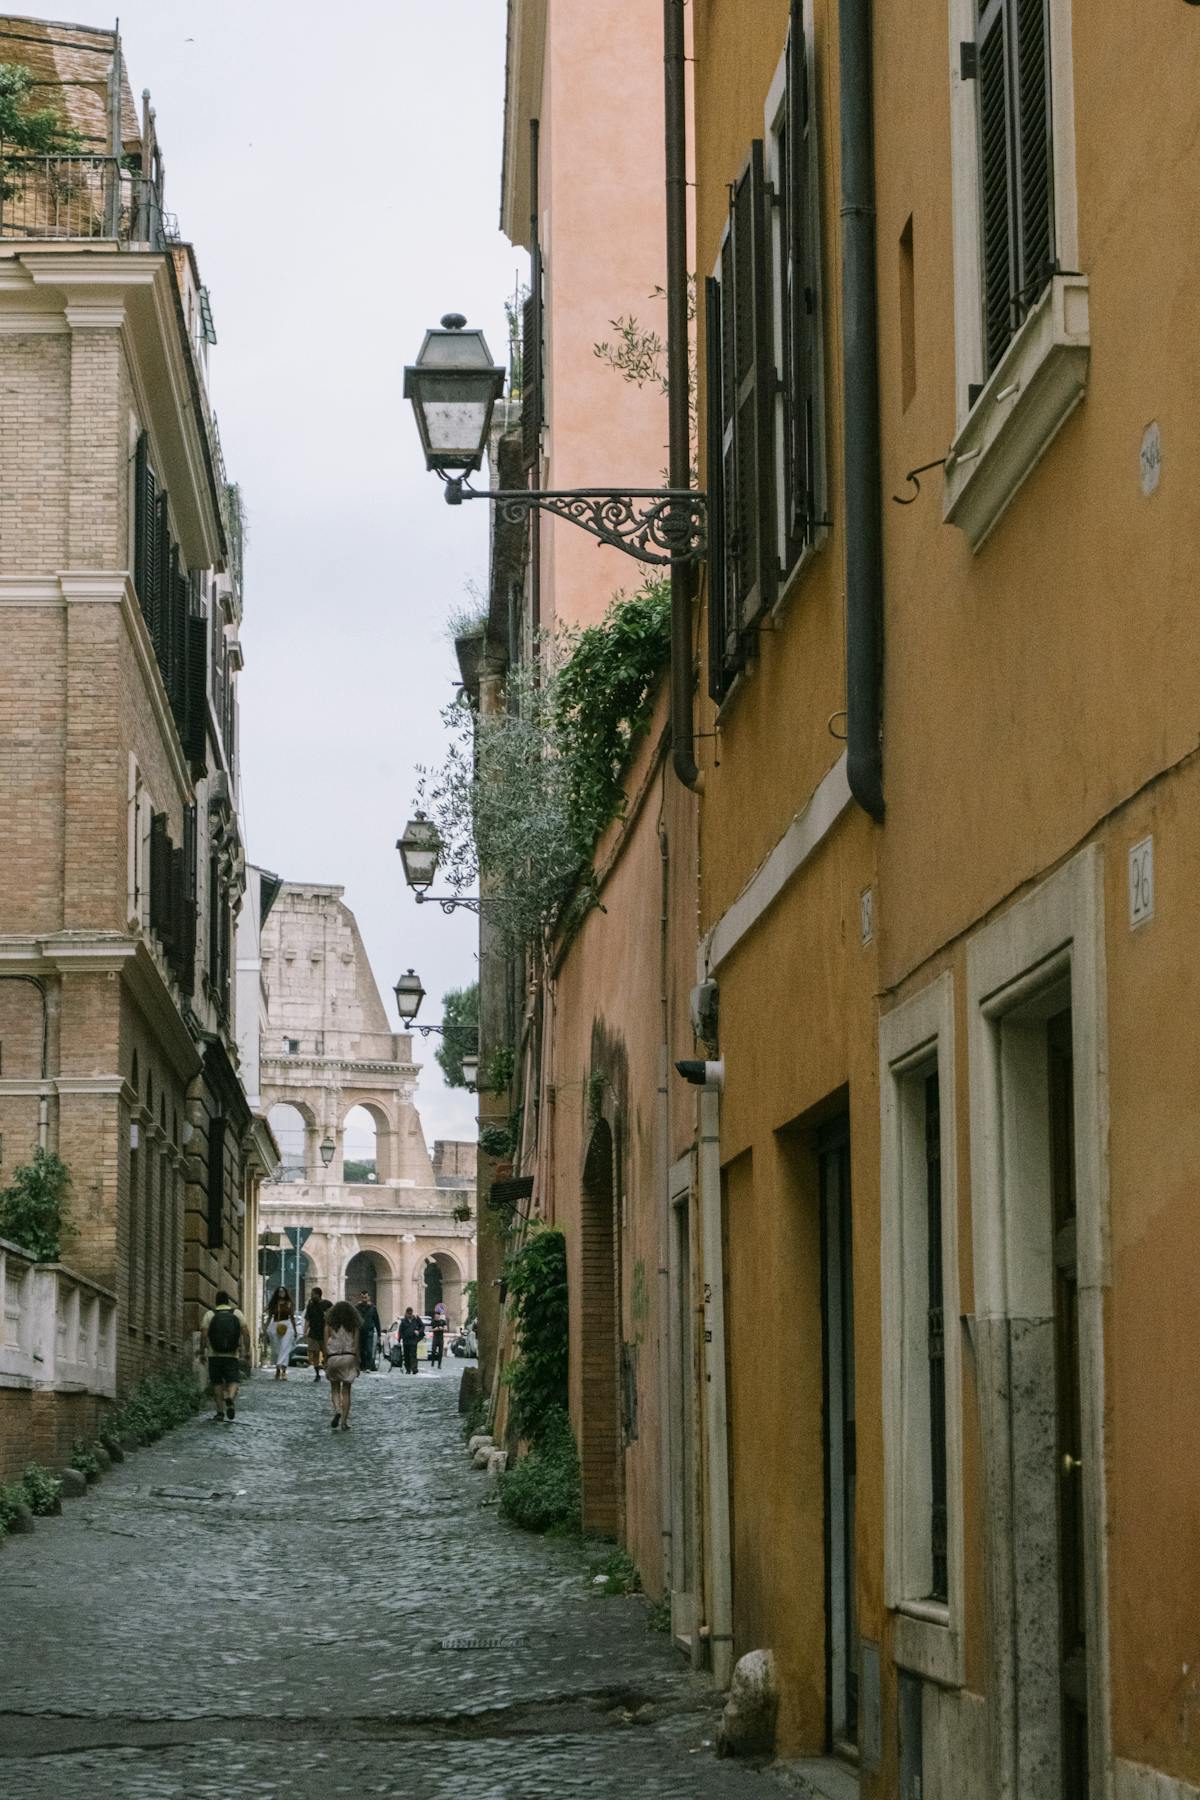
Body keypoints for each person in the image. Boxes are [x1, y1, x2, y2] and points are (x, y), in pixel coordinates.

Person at [202, 1290, 249, 1422]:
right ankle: (230, 1396)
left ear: (216, 1301)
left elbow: (204, 1335)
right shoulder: (237, 1313)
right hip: (232, 1355)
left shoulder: (209, 1314)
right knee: (233, 1381)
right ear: (228, 1301)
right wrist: (247, 1351)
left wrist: (201, 1351)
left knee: (217, 1383)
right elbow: (246, 1333)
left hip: (214, 1355)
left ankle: (220, 1413)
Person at [324, 1299, 361, 1431]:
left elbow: (325, 1342)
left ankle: (338, 1410)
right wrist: (357, 1362)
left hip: (333, 1358)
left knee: (334, 1388)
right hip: (348, 1357)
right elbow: (356, 1346)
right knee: (346, 1391)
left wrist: (325, 1360)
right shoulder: (354, 1325)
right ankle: (344, 1422)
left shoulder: (329, 1324)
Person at [264, 1285, 299, 1379]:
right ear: (277, 1293)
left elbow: (292, 1317)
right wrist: (264, 1329)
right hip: (275, 1325)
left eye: (283, 1291)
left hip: (287, 1325)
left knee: (285, 1347)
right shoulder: (273, 1304)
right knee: (277, 1349)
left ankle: (283, 1371)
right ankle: (277, 1370)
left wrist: (295, 1331)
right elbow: (269, 1317)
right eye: (279, 1291)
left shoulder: (289, 1303)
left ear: (285, 1293)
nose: (281, 1293)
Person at [304, 1286, 332, 1381]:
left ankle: (327, 1368)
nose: (311, 1296)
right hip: (313, 1333)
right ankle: (317, 1374)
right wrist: (305, 1331)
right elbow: (307, 1319)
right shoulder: (310, 1306)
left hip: (325, 1333)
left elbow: (333, 1316)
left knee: (326, 1353)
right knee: (315, 1353)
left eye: (312, 1294)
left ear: (318, 1295)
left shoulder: (327, 1304)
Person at [356, 1290, 382, 1373]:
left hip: (369, 1331)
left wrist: (379, 1334)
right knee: (361, 1349)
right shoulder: (357, 1307)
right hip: (360, 1331)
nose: (364, 1299)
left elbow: (377, 1321)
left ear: (368, 1298)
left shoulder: (373, 1308)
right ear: (360, 1298)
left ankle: (368, 1367)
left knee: (369, 1349)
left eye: (365, 1297)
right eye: (363, 1297)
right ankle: (362, 1366)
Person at [398, 1305, 425, 1375]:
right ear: (406, 1313)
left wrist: (419, 1331)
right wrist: (399, 1339)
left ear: (412, 1313)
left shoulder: (416, 1319)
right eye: (408, 1313)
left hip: (413, 1340)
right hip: (406, 1341)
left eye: (411, 1313)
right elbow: (400, 1331)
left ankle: (414, 1369)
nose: (409, 1315)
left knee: (413, 1355)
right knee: (406, 1356)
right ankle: (408, 1369)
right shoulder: (403, 1321)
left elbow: (422, 1326)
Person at [429, 1304, 449, 1370]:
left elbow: (446, 1329)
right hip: (435, 1338)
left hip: (440, 1338)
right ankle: (432, 1362)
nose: (437, 1317)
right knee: (433, 1351)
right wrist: (436, 1329)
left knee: (440, 1352)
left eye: (438, 1316)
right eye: (436, 1316)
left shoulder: (442, 1321)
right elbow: (430, 1329)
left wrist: (442, 1328)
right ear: (434, 1316)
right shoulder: (433, 1322)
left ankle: (439, 1365)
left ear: (439, 1316)